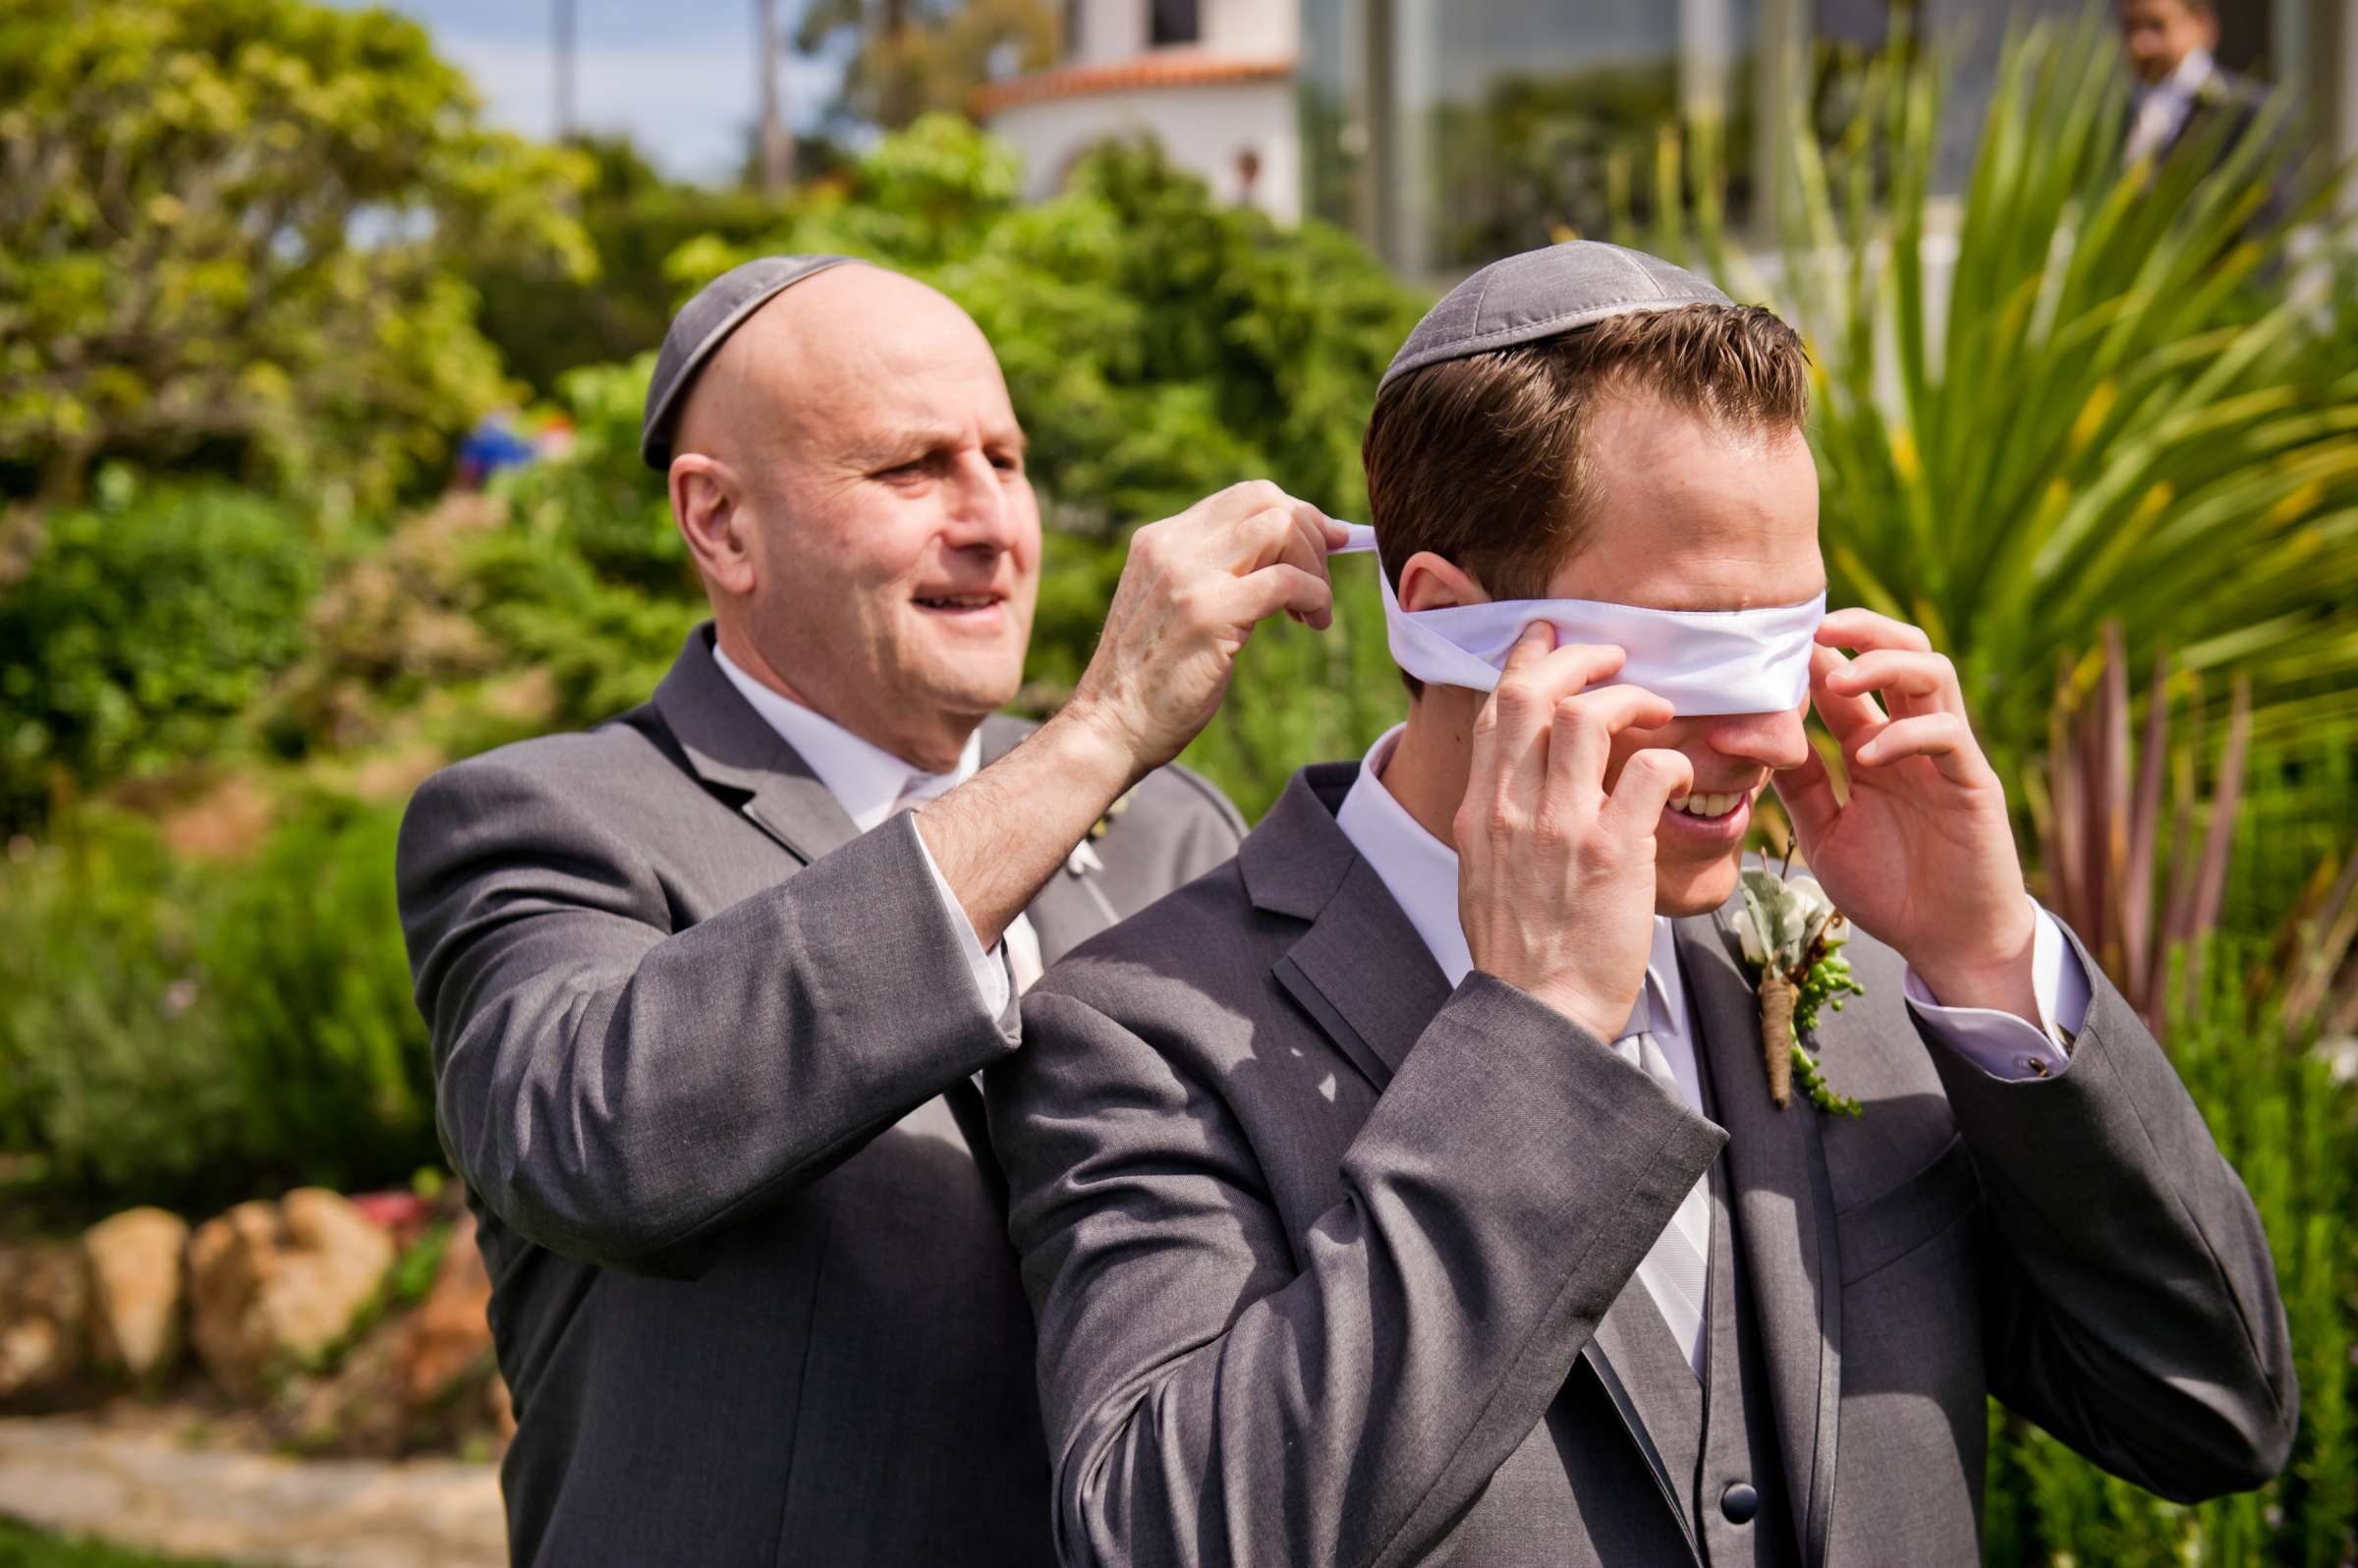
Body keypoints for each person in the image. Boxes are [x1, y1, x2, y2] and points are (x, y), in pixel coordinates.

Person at [992, 243, 2295, 1568]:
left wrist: (1987, 958)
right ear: (1455, 618)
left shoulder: (1826, 958)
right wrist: (1535, 1040)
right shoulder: (1143, 1031)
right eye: (1694, 646)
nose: (1779, 739)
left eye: (1790, 640)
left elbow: (2213, 1415)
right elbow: (1170, 1541)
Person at [396, 254, 1341, 1567]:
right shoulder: (547, 819)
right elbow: (600, 1140)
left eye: (1005, 462)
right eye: (911, 471)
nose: (992, 522)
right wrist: (1099, 734)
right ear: (721, 523)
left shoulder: (1178, 831)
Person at [2119, 0, 2267, 170]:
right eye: (2130, 28)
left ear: (2201, 24)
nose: (2140, 45)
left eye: (2156, 26)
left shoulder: (2248, 110)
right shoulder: (2117, 112)